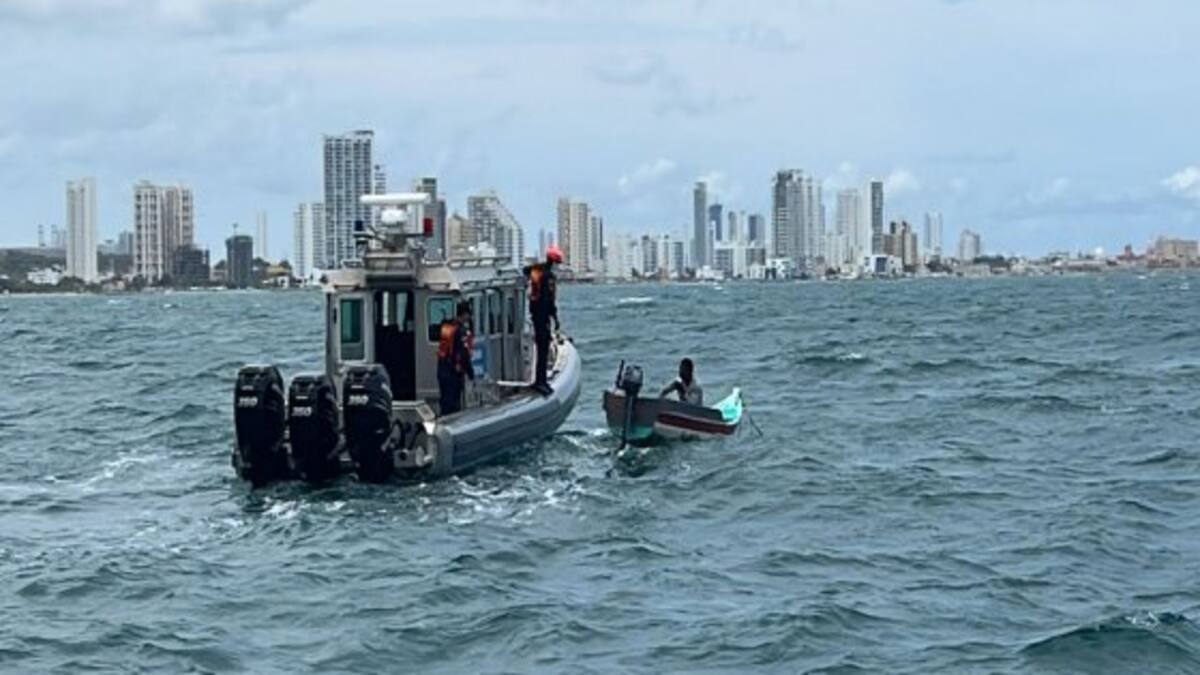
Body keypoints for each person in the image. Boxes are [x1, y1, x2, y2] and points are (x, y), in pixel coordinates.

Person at [524, 245, 562, 396]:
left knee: (541, 347)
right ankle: (540, 381)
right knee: (543, 348)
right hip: (542, 315)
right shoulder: (548, 277)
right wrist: (555, 318)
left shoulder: (535, 271)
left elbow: (526, 272)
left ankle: (540, 380)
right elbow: (549, 300)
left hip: (535, 313)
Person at [436, 300, 475, 415]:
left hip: (442, 370)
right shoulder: (461, 331)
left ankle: (443, 419)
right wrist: (471, 374)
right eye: (469, 314)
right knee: (453, 405)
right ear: (464, 314)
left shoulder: (447, 327)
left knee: (445, 402)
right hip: (453, 373)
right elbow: (464, 355)